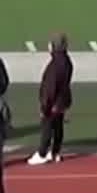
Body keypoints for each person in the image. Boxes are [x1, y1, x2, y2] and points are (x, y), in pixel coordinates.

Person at [29, 34, 73, 165]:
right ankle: (55, 152)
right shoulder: (66, 61)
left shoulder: (55, 65)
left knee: (47, 127)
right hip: (62, 101)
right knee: (58, 127)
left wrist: (44, 106)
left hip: (53, 103)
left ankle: (42, 153)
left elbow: (50, 88)